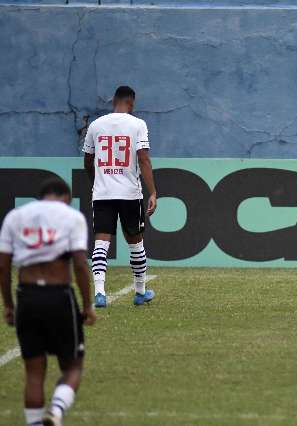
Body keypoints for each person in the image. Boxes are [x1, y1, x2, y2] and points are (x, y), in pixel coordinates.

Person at [0, 179, 97, 426]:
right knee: (73, 366)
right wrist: (87, 306)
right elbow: (80, 264)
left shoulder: (15, 216)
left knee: (33, 372)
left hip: (27, 297)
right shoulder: (71, 216)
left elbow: (3, 266)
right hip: (59, 297)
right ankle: (56, 409)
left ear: (42, 196)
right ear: (65, 197)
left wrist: (9, 305)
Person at [83, 85, 157, 307]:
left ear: (113, 100)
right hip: (129, 193)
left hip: (103, 192)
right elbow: (143, 158)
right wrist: (152, 190)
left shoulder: (96, 125)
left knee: (101, 242)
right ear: (131, 103)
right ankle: (140, 291)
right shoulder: (138, 125)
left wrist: (97, 180)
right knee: (135, 242)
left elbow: (87, 160)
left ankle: (99, 293)